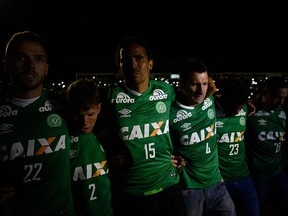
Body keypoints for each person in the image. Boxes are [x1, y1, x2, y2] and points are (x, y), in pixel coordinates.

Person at [101, 36, 186, 216]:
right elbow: (88, 128)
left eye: (139, 58)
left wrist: (183, 153)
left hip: (169, 188)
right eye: (126, 60)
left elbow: (190, 111)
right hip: (131, 194)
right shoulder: (109, 97)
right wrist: (109, 155)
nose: (133, 64)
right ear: (119, 66)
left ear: (150, 63)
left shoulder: (166, 91)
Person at [0, 31, 76, 215]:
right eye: (20, 58)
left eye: (39, 59)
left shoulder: (66, 106)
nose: (31, 65)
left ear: (47, 68)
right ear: (7, 66)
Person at [169, 58, 236, 216]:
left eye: (204, 84)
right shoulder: (169, 112)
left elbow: (212, 88)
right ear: (182, 84)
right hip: (190, 190)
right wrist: (168, 158)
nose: (201, 90)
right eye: (194, 84)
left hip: (217, 183)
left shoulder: (209, 99)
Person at [214, 79, 260, 216]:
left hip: (244, 178)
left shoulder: (245, 107)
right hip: (221, 181)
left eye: (240, 106)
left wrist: (247, 103)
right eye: (234, 105)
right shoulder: (209, 109)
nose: (237, 110)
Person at [245, 76, 288, 216]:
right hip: (257, 177)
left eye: (284, 98)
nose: (280, 102)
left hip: (278, 173)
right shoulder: (250, 111)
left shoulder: (283, 112)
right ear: (264, 92)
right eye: (276, 97)